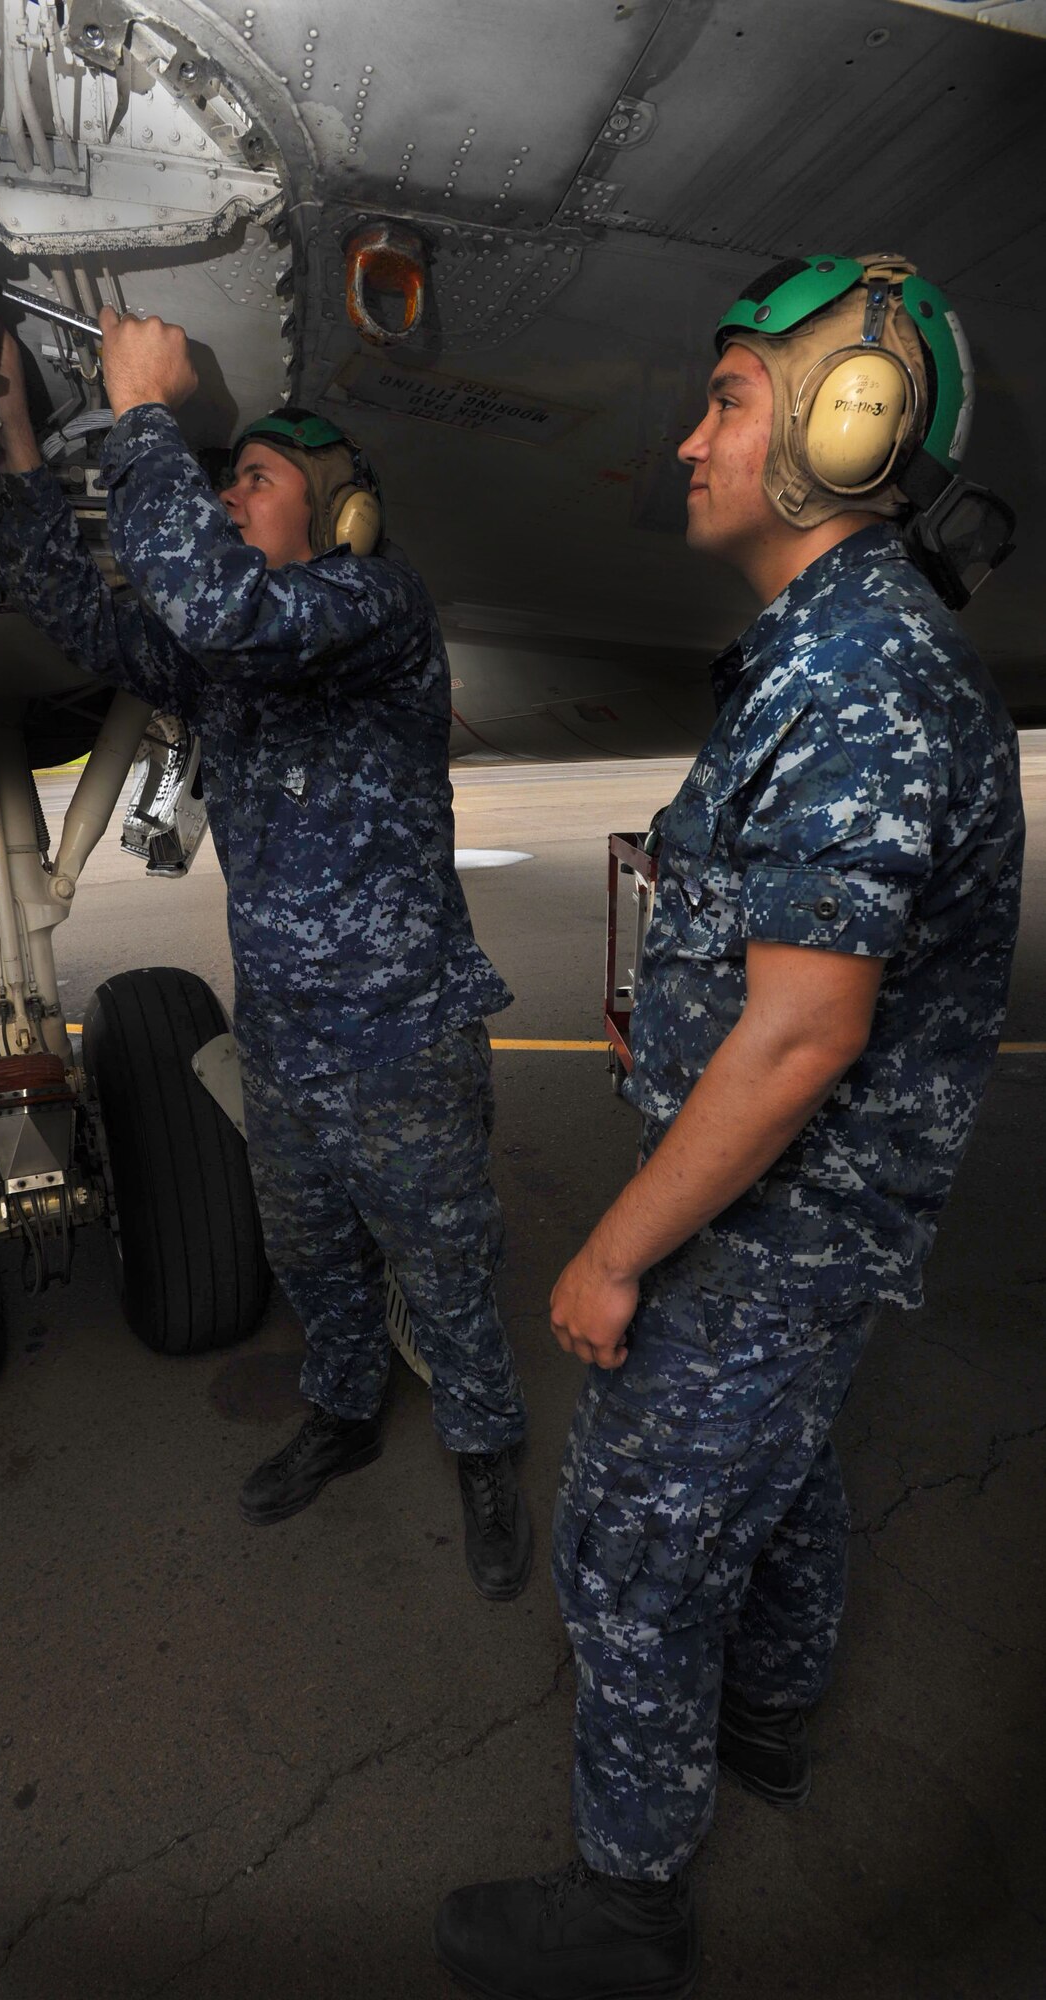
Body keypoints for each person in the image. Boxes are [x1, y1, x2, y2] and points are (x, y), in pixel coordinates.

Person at [435, 254, 1024, 1994]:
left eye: (731, 399)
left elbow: (799, 1037)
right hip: (802, 1235)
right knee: (783, 1478)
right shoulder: (836, 654)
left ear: (854, 427)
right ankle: (770, 1721)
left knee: (627, 1539)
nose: (691, 439)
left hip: (768, 1229)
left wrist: (615, 1254)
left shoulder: (862, 676)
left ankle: (629, 1907)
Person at [0, 310, 532, 1601]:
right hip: (288, 1041)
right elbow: (71, 601)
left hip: (404, 1034)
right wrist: (16, 437)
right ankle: (343, 1416)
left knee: (442, 1258)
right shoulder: (228, 657)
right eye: (226, 479)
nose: (231, 497)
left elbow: (211, 605)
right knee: (316, 1256)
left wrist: (143, 415)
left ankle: (486, 1447)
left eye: (256, 479)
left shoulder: (374, 606)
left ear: (338, 515)